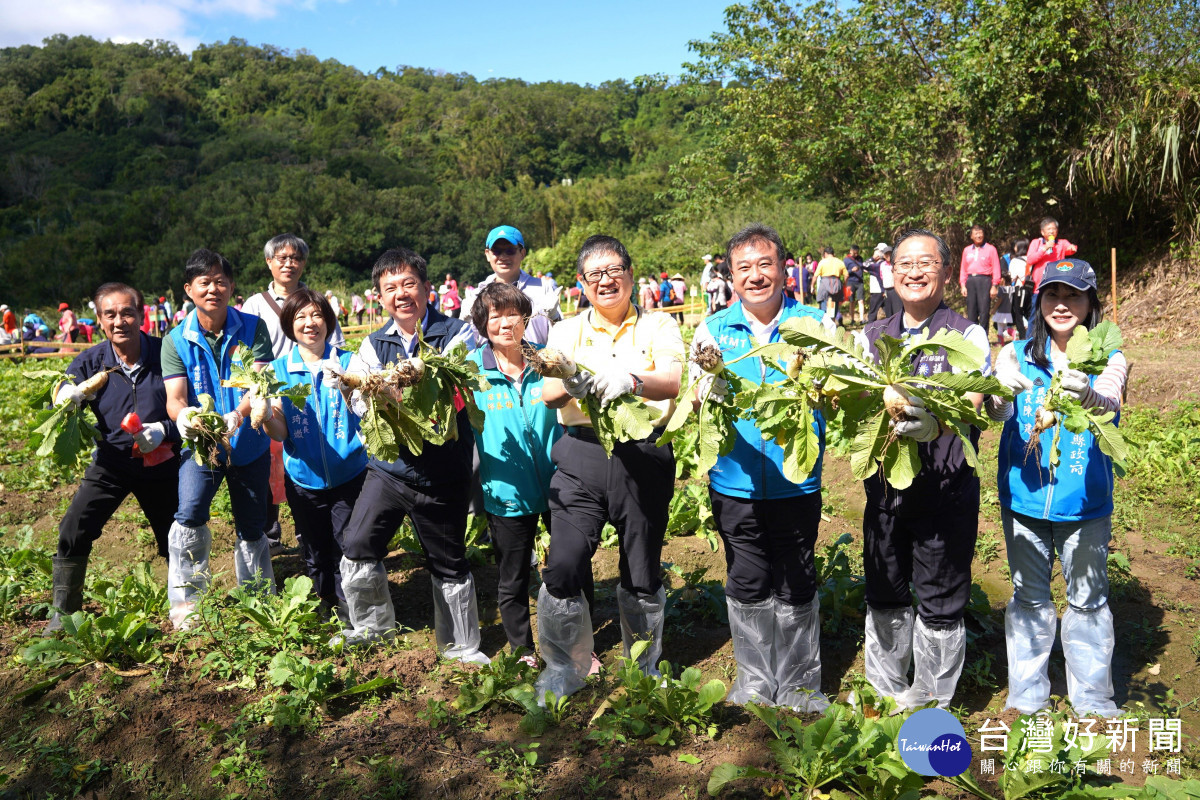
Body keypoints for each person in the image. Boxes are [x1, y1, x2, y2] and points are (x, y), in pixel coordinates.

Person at [535, 234, 684, 700]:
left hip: (643, 454)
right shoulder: (566, 331)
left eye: (613, 270)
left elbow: (672, 381)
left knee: (641, 569)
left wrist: (631, 379)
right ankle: (564, 667)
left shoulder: (657, 325)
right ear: (581, 282)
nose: (605, 281)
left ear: (630, 274)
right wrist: (574, 380)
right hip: (582, 453)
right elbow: (548, 392)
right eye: (594, 274)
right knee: (563, 563)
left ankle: (643, 666)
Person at [690, 224, 831, 711]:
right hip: (735, 479)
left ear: (784, 268)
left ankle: (799, 684)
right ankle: (754, 680)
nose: (755, 276)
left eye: (764, 264)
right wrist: (707, 392)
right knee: (747, 578)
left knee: (796, 575)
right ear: (730, 276)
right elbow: (694, 398)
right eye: (744, 268)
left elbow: (838, 393)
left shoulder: (814, 324)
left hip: (796, 478)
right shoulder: (712, 329)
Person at [325, 247, 487, 664]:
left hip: (442, 473)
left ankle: (461, 647)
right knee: (358, 542)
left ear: (427, 288)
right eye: (390, 287)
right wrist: (352, 386)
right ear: (379, 297)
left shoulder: (456, 333)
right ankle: (370, 627)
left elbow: (452, 388)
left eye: (409, 284)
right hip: (390, 471)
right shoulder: (373, 343)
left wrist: (397, 388)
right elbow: (362, 400)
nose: (401, 294)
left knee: (448, 562)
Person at [986, 258, 1126, 717]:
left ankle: (1092, 700)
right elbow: (997, 418)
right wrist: (997, 393)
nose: (1062, 305)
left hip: (1084, 503)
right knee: (1028, 597)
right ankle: (1027, 696)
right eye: (1053, 295)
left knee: (1087, 600)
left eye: (1074, 296)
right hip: (1024, 499)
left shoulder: (1109, 357)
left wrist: (1086, 393)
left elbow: (1108, 402)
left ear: (1090, 305)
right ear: (1038, 300)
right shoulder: (1016, 351)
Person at [860, 229, 991, 710]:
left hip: (946, 490)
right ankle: (887, 690)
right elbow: (849, 402)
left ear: (945, 271)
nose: (914, 272)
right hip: (885, 493)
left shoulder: (967, 332)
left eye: (926, 262)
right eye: (905, 264)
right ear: (891, 274)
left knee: (940, 599)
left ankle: (929, 703)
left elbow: (975, 398)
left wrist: (936, 425)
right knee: (886, 592)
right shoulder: (870, 337)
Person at [45, 283, 182, 633]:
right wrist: (63, 394)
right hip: (111, 464)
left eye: (127, 312)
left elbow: (188, 409)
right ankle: (63, 615)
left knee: (176, 537)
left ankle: (188, 607)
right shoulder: (93, 360)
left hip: (162, 464)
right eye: (110, 314)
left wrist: (165, 429)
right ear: (100, 320)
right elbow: (59, 389)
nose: (119, 321)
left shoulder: (166, 354)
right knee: (74, 527)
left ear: (141, 315)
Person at [163, 249, 276, 629]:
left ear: (232, 286)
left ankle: (258, 601)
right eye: (204, 282)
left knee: (251, 524)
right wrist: (187, 419)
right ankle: (187, 606)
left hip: (248, 444)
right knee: (190, 513)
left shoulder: (252, 327)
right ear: (189, 290)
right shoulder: (176, 340)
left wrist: (238, 415)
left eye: (221, 281)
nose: (214, 288)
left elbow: (258, 381)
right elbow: (175, 398)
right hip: (202, 447)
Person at [466, 282, 560, 666]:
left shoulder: (547, 360)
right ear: (482, 324)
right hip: (506, 491)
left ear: (526, 318)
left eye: (513, 314)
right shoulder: (470, 371)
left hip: (560, 484)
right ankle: (523, 651)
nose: (505, 323)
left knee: (570, 566)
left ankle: (575, 643)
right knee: (513, 577)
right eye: (495, 315)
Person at [262, 289, 367, 620]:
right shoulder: (278, 371)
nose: (310, 324)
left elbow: (364, 410)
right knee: (314, 549)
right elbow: (280, 433)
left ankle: (353, 609)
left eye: (317, 315)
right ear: (289, 325)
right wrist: (265, 414)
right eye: (300, 317)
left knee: (348, 546)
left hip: (350, 473)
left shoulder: (348, 362)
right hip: (304, 478)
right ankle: (323, 606)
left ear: (329, 320)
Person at [242, 234, 347, 554]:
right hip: (273, 395)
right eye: (282, 258)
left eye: (296, 258)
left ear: (304, 263)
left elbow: (337, 348)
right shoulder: (255, 304)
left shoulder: (316, 303)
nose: (289, 264)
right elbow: (245, 355)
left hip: (314, 396)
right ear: (269, 263)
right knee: (270, 468)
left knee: (306, 459)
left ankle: (308, 534)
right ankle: (271, 535)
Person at [460, 225, 561, 345]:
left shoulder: (543, 288)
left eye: (510, 251)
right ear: (487, 254)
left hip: (538, 361)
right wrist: (464, 324)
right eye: (496, 251)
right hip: (491, 362)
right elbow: (469, 344)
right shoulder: (477, 295)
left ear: (522, 253)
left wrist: (555, 318)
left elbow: (561, 337)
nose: (503, 257)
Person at [959, 224, 1002, 330]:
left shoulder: (991, 249)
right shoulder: (967, 250)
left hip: (985, 281)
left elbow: (996, 268)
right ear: (971, 236)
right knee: (971, 311)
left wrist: (995, 285)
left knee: (984, 311)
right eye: (976, 233)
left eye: (980, 233)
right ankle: (973, 338)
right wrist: (963, 285)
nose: (978, 236)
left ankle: (984, 337)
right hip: (971, 281)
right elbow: (963, 269)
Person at [1025, 217, 1079, 291]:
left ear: (1057, 231)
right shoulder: (1036, 242)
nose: (1051, 231)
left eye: (1054, 229)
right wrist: (1045, 248)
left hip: (1057, 282)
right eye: (1049, 229)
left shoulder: (1062, 243)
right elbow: (1030, 260)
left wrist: (1073, 247)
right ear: (1042, 232)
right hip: (1039, 285)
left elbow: (1070, 249)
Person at [811, 247, 847, 320]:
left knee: (824, 304)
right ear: (833, 254)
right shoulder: (839, 262)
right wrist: (844, 284)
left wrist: (812, 286)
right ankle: (832, 323)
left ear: (825, 254)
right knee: (834, 305)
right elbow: (846, 275)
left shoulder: (823, 262)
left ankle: (825, 324)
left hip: (825, 283)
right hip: (837, 283)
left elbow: (815, 276)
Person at [1008, 239, 1031, 339]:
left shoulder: (1015, 261)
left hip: (1020, 289)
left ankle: (1023, 337)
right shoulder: (1032, 259)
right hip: (1032, 289)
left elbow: (1012, 277)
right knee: (1030, 313)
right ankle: (1032, 335)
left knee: (1019, 314)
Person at [864, 244, 891, 322]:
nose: (874, 252)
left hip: (878, 291)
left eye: (877, 251)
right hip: (884, 290)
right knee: (888, 310)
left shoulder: (877, 265)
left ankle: (870, 329)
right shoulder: (884, 264)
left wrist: (872, 258)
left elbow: (864, 265)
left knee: (873, 312)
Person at [844, 246, 865, 324]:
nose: (856, 254)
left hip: (860, 282)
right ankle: (852, 319)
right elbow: (844, 272)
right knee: (851, 301)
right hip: (850, 282)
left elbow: (862, 267)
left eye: (857, 253)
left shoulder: (860, 258)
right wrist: (851, 270)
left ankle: (862, 319)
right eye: (854, 253)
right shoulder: (846, 260)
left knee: (861, 300)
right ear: (851, 251)